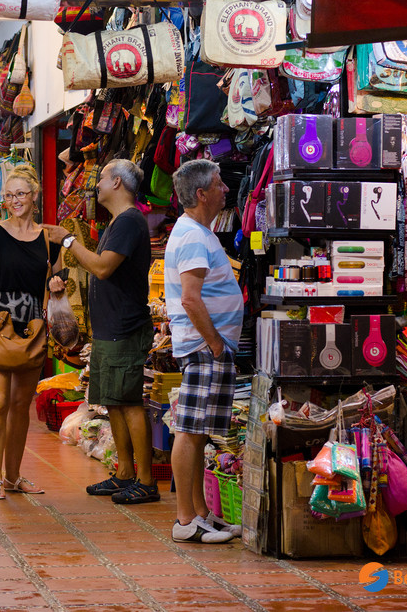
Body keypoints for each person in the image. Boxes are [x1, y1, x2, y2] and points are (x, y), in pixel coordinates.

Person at [43, 160, 158, 504]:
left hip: (125, 327)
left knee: (130, 403)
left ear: (119, 183)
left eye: (103, 178)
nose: (97, 184)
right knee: (114, 402)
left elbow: (103, 267)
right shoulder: (117, 223)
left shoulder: (129, 221)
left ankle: (147, 481)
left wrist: (67, 242)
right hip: (110, 329)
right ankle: (125, 473)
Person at [0, 166, 63, 500]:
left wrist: (57, 285)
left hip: (32, 326)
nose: (14, 201)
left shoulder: (47, 237)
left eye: (21, 194)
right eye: (9, 196)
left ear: (35, 195)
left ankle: (13, 475)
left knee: (21, 404)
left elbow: (56, 277)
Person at [163, 159, 242, 544]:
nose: (225, 189)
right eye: (219, 183)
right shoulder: (194, 236)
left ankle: (200, 513)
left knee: (196, 433)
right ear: (201, 194)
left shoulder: (199, 232)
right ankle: (185, 521)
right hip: (203, 347)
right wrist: (214, 343)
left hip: (206, 347)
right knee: (190, 431)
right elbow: (192, 300)